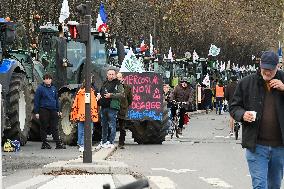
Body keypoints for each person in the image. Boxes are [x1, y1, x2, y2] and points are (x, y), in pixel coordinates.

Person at [230, 51, 284, 189]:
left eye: (271, 70)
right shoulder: (246, 83)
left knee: (275, 185)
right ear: (260, 65)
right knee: (260, 185)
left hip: (280, 147)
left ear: (278, 66)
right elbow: (234, 107)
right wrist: (242, 115)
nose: (267, 72)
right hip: (256, 146)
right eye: (265, 69)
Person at [34, 73, 66, 149]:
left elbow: (56, 100)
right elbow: (36, 101)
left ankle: (58, 144)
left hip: (53, 110)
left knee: (54, 127)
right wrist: (36, 112)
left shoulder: (54, 88)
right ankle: (44, 143)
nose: (48, 80)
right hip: (43, 110)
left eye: (49, 79)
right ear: (44, 80)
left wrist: (59, 110)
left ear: (51, 80)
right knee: (44, 126)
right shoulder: (40, 89)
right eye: (46, 79)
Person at [97, 69, 124, 149]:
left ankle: (111, 141)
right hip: (103, 107)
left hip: (112, 107)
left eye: (113, 74)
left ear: (115, 75)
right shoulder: (104, 83)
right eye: (110, 74)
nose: (111, 76)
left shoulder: (118, 84)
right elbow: (101, 92)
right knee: (104, 126)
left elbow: (122, 95)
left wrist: (111, 95)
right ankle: (104, 141)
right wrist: (99, 96)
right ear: (107, 75)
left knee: (112, 125)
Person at [70, 82, 99, 152]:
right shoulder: (90, 93)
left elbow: (75, 104)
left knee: (81, 130)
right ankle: (84, 145)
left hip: (80, 114)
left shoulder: (79, 92)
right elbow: (93, 104)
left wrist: (75, 114)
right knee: (88, 130)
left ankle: (80, 144)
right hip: (89, 114)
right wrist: (97, 98)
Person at [116, 72, 133, 149]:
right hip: (113, 108)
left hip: (122, 108)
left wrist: (125, 105)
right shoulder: (114, 86)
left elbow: (130, 99)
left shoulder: (127, 87)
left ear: (123, 78)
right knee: (111, 126)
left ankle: (121, 142)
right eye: (117, 77)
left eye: (119, 77)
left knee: (122, 127)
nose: (118, 79)